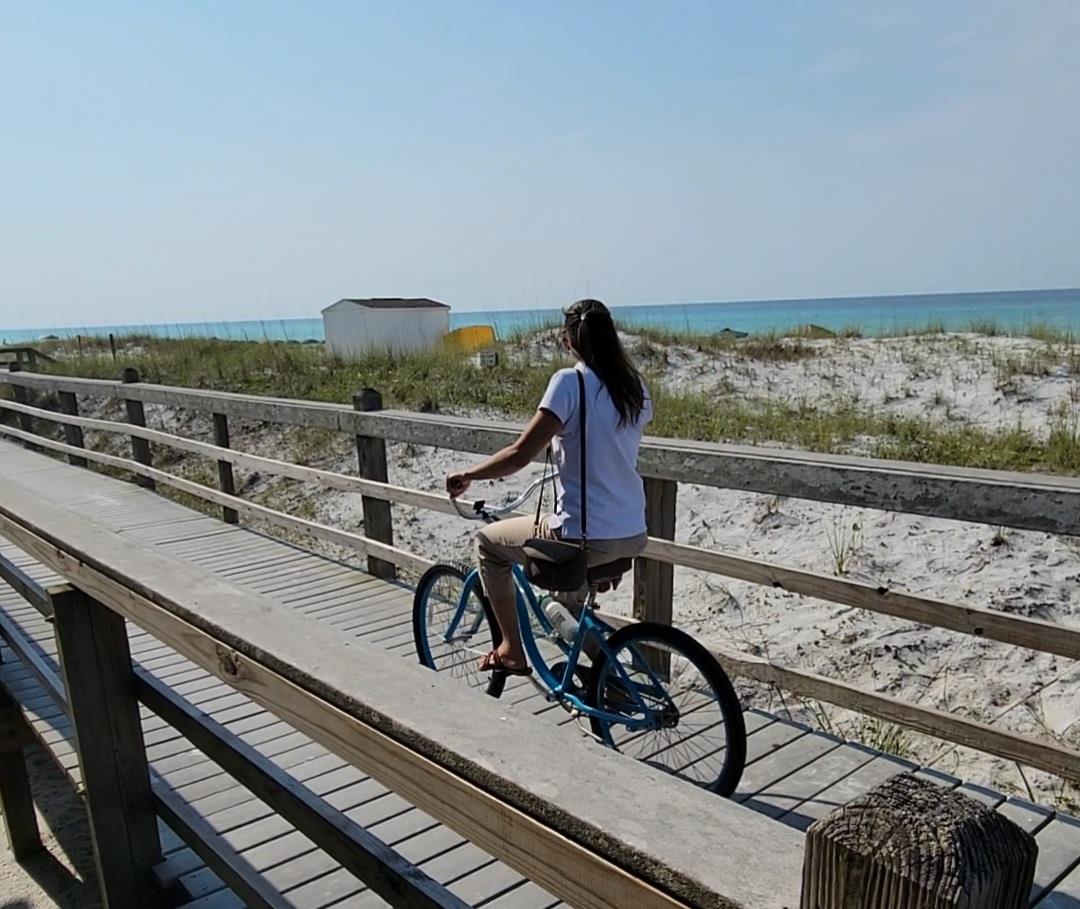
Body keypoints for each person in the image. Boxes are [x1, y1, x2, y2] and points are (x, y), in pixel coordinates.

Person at [446, 299, 652, 674]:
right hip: (632, 530)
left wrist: (470, 475)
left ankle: (510, 649)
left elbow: (519, 455)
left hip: (586, 534)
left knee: (488, 544)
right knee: (567, 604)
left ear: (569, 340)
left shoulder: (569, 383)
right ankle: (610, 679)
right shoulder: (633, 386)